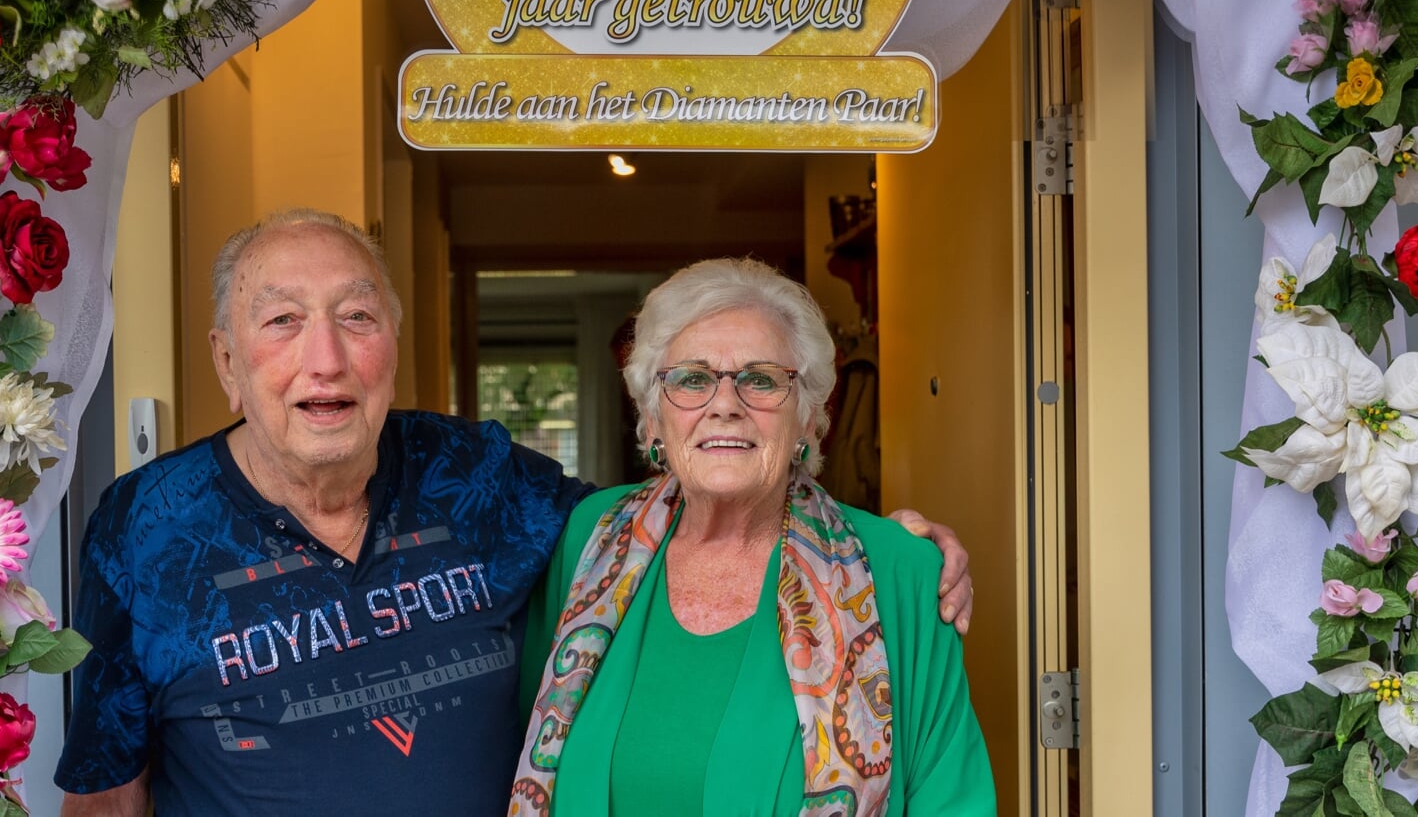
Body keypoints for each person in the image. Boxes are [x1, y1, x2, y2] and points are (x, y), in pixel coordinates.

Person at [56, 210, 977, 815]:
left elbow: (705, 496)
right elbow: (106, 793)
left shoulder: (491, 484)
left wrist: (892, 547)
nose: (324, 360)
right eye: (282, 321)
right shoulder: (142, 529)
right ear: (225, 359)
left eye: (358, 318)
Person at [513, 258, 995, 816]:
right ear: (652, 419)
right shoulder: (588, 539)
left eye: (761, 379)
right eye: (692, 379)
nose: (724, 405)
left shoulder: (901, 573)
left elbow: (954, 802)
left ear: (808, 419)